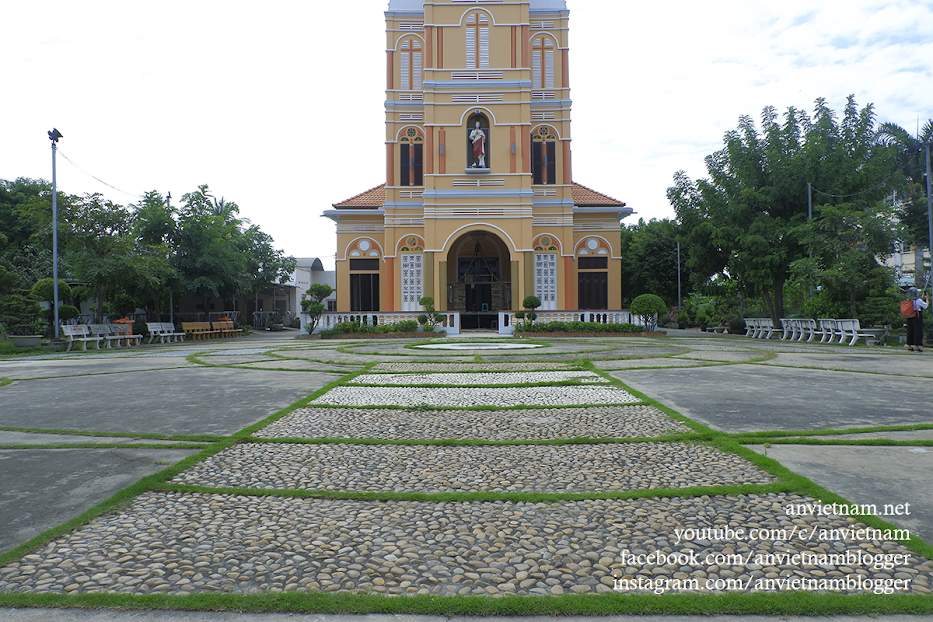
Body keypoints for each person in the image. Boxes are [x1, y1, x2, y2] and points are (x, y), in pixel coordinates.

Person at [905, 287, 928, 352]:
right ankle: (917, 346)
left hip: (909, 316)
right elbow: (925, 306)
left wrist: (922, 299)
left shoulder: (908, 300)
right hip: (917, 316)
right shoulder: (918, 300)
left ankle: (909, 345)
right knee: (917, 331)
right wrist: (927, 299)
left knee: (910, 330)